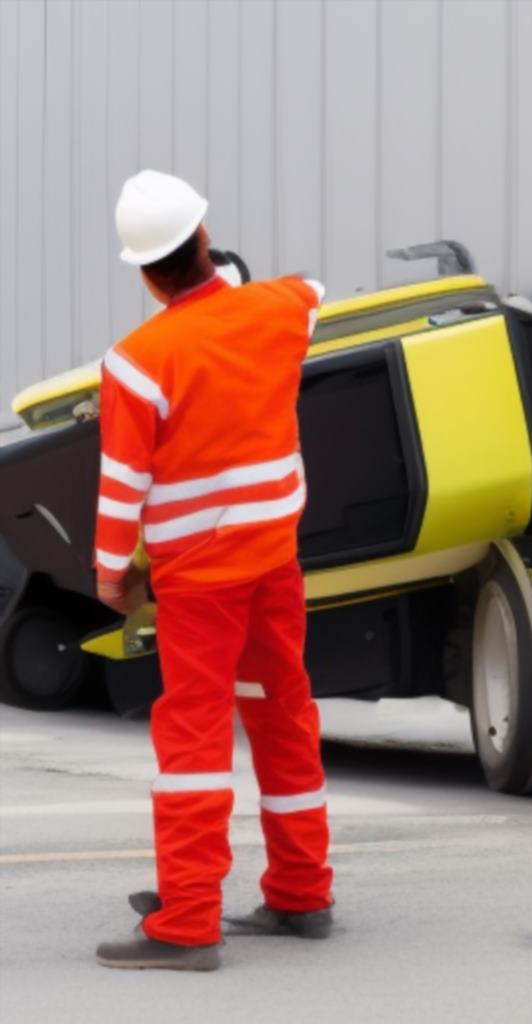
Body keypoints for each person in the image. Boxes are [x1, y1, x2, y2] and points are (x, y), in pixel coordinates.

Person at [94, 169, 333, 971]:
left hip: (198, 582)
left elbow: (122, 484)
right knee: (283, 712)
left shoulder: (136, 362)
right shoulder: (278, 311)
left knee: (194, 733)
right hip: (274, 562)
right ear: (204, 238)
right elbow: (313, 289)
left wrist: (108, 575)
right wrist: (234, 281)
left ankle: (189, 920)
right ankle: (303, 893)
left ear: (143, 272)